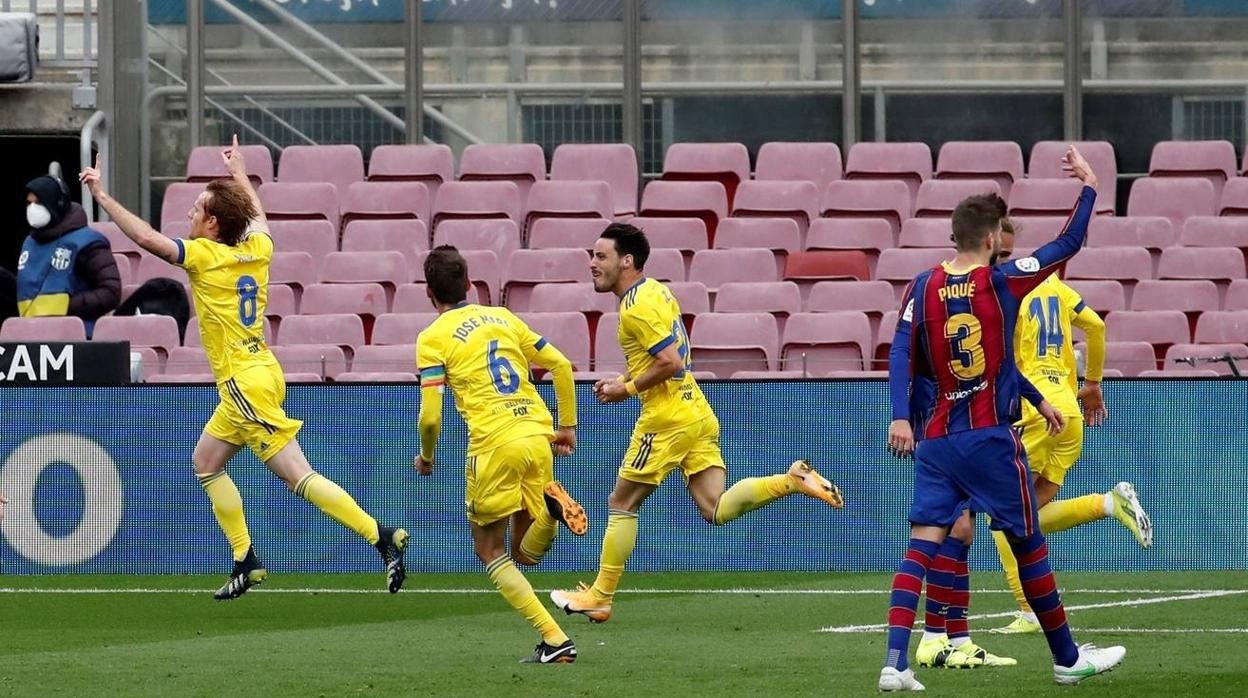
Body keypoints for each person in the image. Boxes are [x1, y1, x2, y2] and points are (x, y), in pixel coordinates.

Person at [79, 137, 408, 600]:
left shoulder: (206, 256)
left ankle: (382, 537)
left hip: (242, 383)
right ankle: (245, 559)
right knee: (205, 463)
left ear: (213, 224)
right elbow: (256, 215)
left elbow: (147, 240)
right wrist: (240, 172)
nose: (190, 215)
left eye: (197, 209)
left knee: (297, 475)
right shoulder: (257, 248)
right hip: (260, 369)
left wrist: (103, 197)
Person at [879, 145, 1125, 691]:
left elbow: (899, 350)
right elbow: (1068, 244)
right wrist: (1089, 188)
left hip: (936, 439)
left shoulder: (922, 285)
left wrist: (901, 417)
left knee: (922, 544)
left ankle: (895, 663)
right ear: (991, 239)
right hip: (990, 438)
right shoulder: (1000, 281)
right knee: (1028, 541)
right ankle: (1067, 659)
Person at [549, 223, 844, 624]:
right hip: (695, 409)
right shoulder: (655, 291)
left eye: (601, 256)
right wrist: (624, 380)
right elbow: (663, 358)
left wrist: (627, 389)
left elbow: (668, 363)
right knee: (716, 508)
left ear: (627, 260)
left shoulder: (636, 305)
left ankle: (600, 596)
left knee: (621, 504)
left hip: (667, 417)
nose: (592, 264)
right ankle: (790, 480)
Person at [414, 245, 587, 664]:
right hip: (537, 433)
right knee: (523, 552)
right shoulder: (503, 317)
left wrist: (427, 457)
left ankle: (554, 637)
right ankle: (548, 512)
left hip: (494, 443)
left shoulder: (432, 338)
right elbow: (562, 365)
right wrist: (566, 427)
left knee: (489, 551)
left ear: (429, 294)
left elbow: (431, 419)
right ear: (470, 284)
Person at [984, 217, 1153, 634]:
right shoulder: (1053, 286)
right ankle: (1108, 504)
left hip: (1037, 411)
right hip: (1070, 412)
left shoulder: (1004, 289)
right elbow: (1095, 326)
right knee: (1023, 517)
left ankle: (1029, 611)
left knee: (1002, 517)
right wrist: (1091, 383)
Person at [17, 173, 120, 333]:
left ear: (56, 204)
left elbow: (111, 292)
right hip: (32, 339)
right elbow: (30, 295)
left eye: (38, 203)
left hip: (78, 340)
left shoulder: (88, 242)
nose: (32, 208)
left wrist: (64, 306)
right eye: (29, 203)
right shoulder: (29, 243)